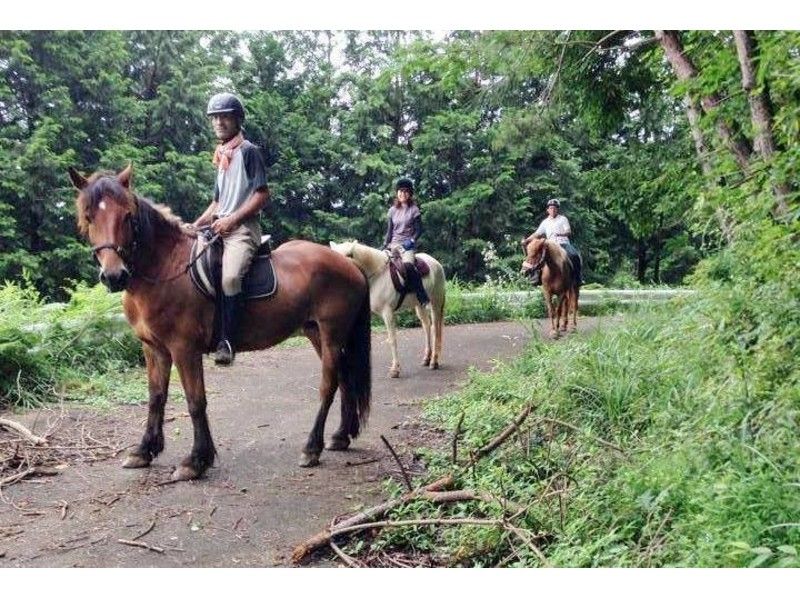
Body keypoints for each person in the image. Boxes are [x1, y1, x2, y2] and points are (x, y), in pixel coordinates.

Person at [191, 92, 269, 365]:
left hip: (242, 229)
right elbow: (216, 202)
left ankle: (228, 340)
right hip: (219, 226)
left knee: (230, 278)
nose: (219, 122)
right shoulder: (222, 155)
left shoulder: (249, 151)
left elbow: (261, 195)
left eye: (225, 117)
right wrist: (196, 224)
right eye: (215, 118)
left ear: (237, 120)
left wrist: (232, 220)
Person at [383, 178, 429, 305]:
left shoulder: (414, 209)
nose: (402, 194)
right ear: (397, 193)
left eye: (405, 191)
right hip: (393, 244)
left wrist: (412, 241)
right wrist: (385, 245)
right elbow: (390, 231)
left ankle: (422, 295)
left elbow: (419, 230)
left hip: (407, 245)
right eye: (400, 191)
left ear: (410, 194)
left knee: (408, 266)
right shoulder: (392, 210)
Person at [524, 198, 583, 286]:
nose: (553, 210)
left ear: (557, 209)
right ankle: (536, 278)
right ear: (547, 210)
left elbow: (568, 231)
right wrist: (527, 240)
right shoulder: (545, 222)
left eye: (555, 208)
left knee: (574, 255)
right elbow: (537, 233)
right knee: (537, 257)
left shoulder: (563, 219)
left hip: (563, 244)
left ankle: (577, 278)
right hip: (550, 246)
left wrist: (560, 234)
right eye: (551, 208)